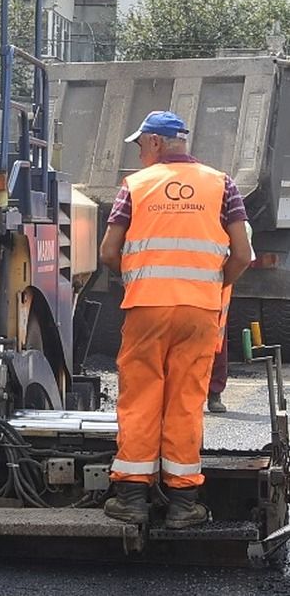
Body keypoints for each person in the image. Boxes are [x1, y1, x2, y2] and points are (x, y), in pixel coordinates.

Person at [99, 111, 252, 529]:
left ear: (154, 143)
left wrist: (136, 277)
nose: (140, 153)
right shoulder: (223, 184)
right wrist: (211, 285)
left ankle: (132, 497)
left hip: (147, 307)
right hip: (200, 309)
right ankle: (184, 504)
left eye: (140, 145)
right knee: (186, 401)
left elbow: (108, 252)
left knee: (141, 396)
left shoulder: (135, 185)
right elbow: (242, 255)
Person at [207, 221, 255, 414]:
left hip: (213, 285)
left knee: (216, 339)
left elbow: (242, 254)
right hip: (193, 284)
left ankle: (213, 392)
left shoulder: (227, 208)